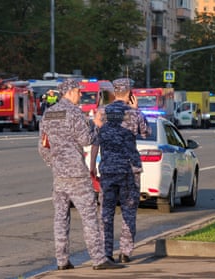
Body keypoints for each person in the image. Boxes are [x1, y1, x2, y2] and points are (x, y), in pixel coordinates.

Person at [38, 79, 124, 271]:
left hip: (59, 176)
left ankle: (62, 261)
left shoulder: (49, 114)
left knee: (60, 218)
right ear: (68, 92)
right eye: (78, 91)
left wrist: (55, 164)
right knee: (89, 217)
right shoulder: (74, 112)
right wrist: (96, 125)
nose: (80, 95)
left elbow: (42, 147)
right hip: (77, 174)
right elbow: (86, 139)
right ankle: (98, 259)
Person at [90, 78, 151, 264]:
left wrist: (92, 165)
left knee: (106, 213)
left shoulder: (101, 113)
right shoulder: (134, 113)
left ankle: (106, 253)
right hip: (128, 170)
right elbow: (146, 133)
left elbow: (95, 140)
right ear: (130, 93)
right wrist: (138, 109)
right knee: (129, 211)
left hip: (108, 169)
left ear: (115, 92)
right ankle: (125, 252)